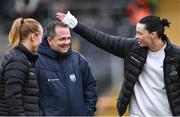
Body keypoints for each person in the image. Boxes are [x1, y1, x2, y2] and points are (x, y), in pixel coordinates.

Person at [56, 11, 180, 116]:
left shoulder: (176, 55)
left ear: (153, 35)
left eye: (140, 33)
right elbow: (102, 39)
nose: (136, 36)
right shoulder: (132, 48)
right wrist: (73, 23)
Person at [35, 21, 97, 116]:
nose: (67, 42)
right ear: (50, 40)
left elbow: (90, 89)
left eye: (69, 38)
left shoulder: (79, 60)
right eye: (62, 39)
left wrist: (87, 114)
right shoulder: (36, 62)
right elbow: (31, 97)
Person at [0, 17, 43, 115]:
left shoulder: (25, 59)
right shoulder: (18, 60)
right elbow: (13, 97)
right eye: (41, 37)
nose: (41, 42)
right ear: (34, 36)